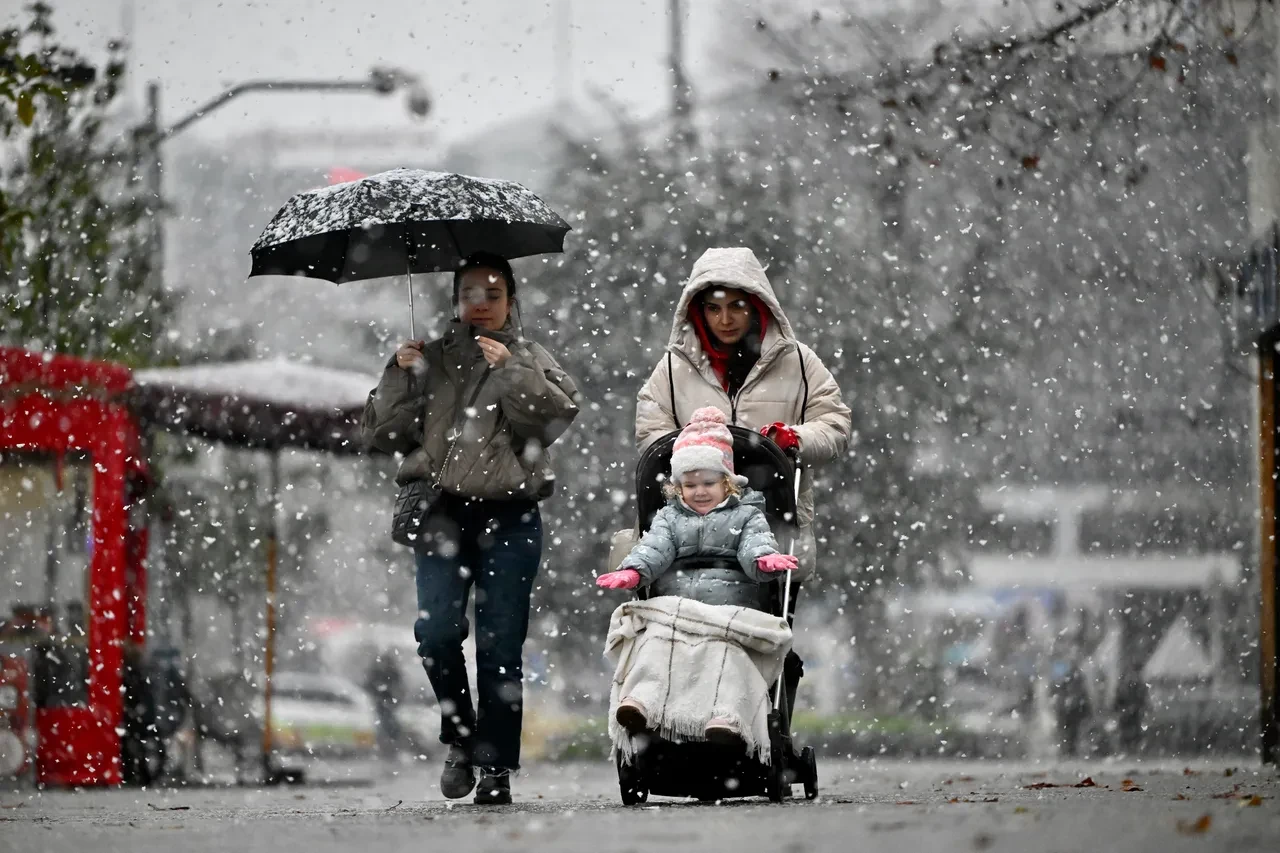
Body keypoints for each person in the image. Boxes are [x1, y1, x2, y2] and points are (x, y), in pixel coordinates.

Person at [361, 252, 580, 805]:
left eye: (492, 293)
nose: (479, 304)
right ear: (455, 300)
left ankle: (495, 767)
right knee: (435, 635)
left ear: (511, 300)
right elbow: (383, 435)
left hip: (511, 514)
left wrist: (510, 370)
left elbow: (552, 420)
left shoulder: (529, 356)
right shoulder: (427, 359)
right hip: (441, 513)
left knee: (501, 647)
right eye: (469, 294)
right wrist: (397, 374)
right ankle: (459, 738)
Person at [635, 247, 851, 578]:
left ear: (756, 304)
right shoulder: (672, 368)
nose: (725, 319)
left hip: (774, 531)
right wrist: (691, 446)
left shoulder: (798, 363)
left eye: (736, 306)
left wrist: (795, 439)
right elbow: (651, 435)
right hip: (688, 538)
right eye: (714, 308)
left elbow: (835, 425)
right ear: (699, 311)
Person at [596, 408, 796, 756]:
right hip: (676, 607)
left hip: (728, 607)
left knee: (728, 658)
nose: (699, 492)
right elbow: (653, 548)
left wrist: (765, 560)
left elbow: (754, 546)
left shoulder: (748, 514)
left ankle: (727, 717)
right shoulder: (669, 518)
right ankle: (641, 703)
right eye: (690, 485)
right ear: (678, 487)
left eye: (708, 483)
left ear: (728, 482)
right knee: (654, 646)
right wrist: (634, 570)